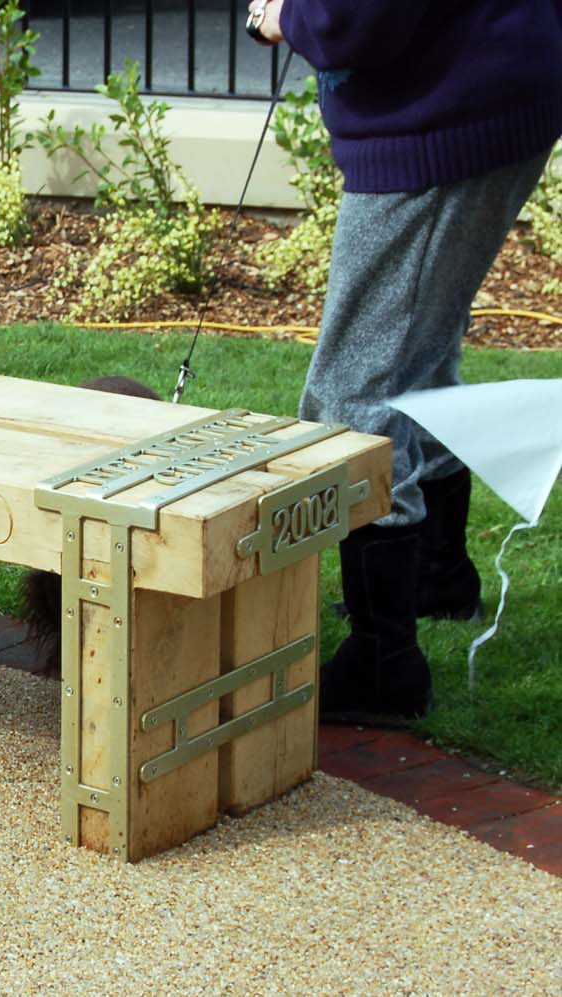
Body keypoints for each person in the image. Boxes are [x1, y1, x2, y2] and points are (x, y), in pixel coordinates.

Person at [248, 0, 562, 724]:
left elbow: (356, 20)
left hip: (442, 116)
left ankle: (385, 665)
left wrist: (289, 16)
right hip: (490, 92)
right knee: (413, 362)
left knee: (353, 395)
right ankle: (436, 576)